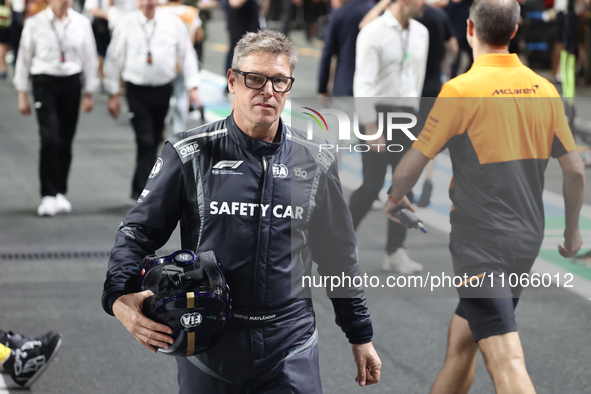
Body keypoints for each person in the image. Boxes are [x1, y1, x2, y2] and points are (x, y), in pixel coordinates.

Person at [102, 30, 381, 393]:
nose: (268, 90)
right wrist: (119, 296)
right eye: (255, 79)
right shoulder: (189, 152)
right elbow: (137, 233)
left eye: (279, 81)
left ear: (289, 88)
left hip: (290, 341)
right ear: (232, 81)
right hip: (210, 343)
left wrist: (360, 334)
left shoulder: (316, 158)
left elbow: (338, 255)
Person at [383, 0, 586, 392]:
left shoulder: (460, 90)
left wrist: (395, 197)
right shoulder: (544, 89)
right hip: (527, 238)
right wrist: (572, 231)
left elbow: (412, 163)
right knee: (463, 342)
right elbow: (575, 169)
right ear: (515, 30)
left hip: (480, 242)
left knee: (506, 358)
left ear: (470, 30)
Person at [351, 0, 429, 274]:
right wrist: (371, 127)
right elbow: (363, 83)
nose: (426, 3)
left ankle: (395, 251)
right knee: (371, 184)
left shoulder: (421, 32)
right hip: (377, 114)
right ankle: (337, 242)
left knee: (404, 187)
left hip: (407, 116)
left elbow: (415, 79)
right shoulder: (373, 32)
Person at [103, 0, 201, 201]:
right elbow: (114, 58)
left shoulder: (173, 23)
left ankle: (140, 187)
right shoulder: (126, 23)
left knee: (155, 138)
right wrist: (113, 93)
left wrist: (193, 87)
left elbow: (186, 54)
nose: (147, 3)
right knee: (145, 139)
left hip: (164, 90)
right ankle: (144, 192)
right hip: (136, 91)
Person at [13, 0, 98, 216]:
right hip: (44, 82)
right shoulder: (35, 23)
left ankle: (60, 190)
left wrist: (89, 92)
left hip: (71, 82)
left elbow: (89, 57)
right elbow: (23, 58)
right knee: (50, 138)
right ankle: (47, 194)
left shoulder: (81, 23)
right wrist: (22, 94)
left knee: (66, 140)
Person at [414, 3, 457, 207]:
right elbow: (453, 48)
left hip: (411, 85)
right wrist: (445, 68)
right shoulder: (439, 16)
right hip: (433, 82)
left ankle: (408, 184)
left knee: (407, 134)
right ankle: (428, 180)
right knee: (429, 134)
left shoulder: (408, 16)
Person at [161, 0, 204, 133]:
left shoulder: (161, 11)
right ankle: (178, 132)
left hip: (164, 62)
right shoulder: (191, 12)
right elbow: (199, 35)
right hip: (184, 60)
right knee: (181, 96)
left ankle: (162, 124)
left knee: (163, 97)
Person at [317, 0, 374, 98]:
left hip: (344, 84)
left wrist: (322, 88)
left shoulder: (341, 13)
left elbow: (327, 53)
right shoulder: (378, 14)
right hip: (372, 87)